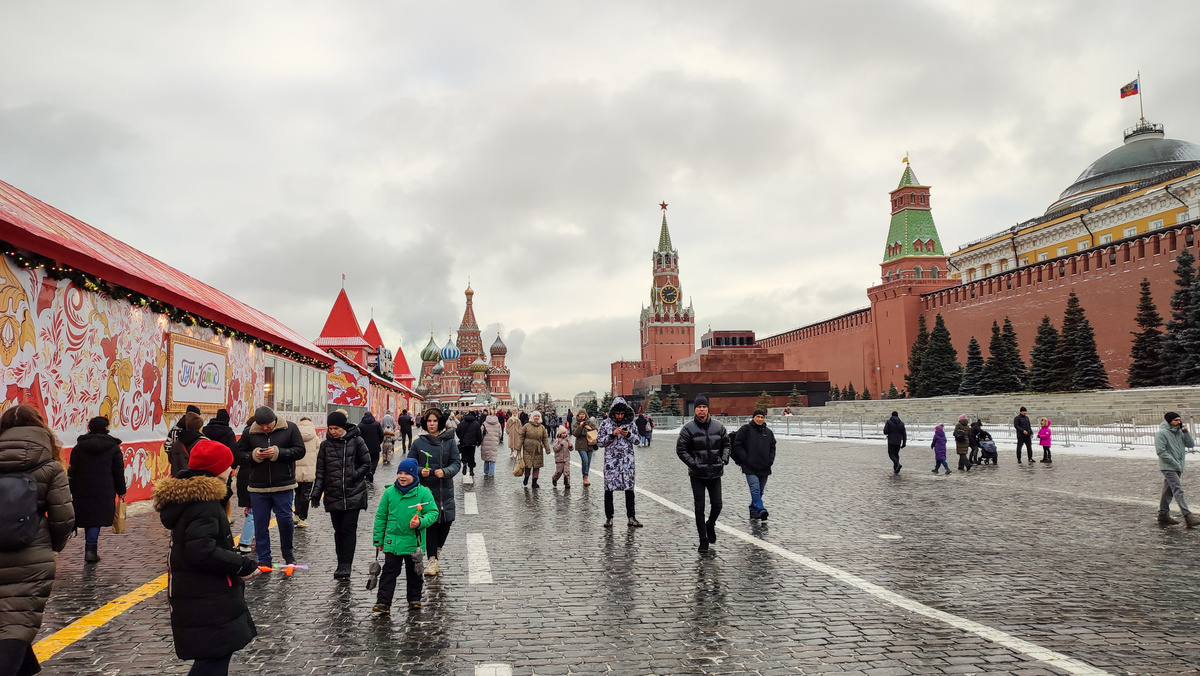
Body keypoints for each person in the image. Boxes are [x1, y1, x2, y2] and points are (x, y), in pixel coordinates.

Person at [154, 439, 259, 675]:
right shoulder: (205, 504)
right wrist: (242, 564)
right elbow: (202, 552)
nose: (232, 471)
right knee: (214, 658)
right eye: (228, 466)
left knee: (216, 656)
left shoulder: (194, 499)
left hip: (200, 592)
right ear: (216, 470)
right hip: (207, 595)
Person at [0, 405, 74, 676]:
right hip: (31, 554)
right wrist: (50, 545)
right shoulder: (50, 466)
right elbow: (63, 518)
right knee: (18, 619)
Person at [233, 406, 306, 569]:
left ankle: (288, 555)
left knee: (285, 520)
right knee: (260, 524)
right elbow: (238, 455)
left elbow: (300, 451)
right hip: (258, 487)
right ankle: (264, 558)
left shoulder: (290, 428)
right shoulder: (249, 432)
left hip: (284, 484)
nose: (265, 428)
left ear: (274, 420)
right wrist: (254, 455)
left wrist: (279, 453)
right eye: (261, 425)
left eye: (268, 424)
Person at [372, 458, 438, 613]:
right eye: (399, 473)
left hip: (413, 542)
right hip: (392, 541)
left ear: (414, 476)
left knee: (415, 572)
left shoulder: (423, 493)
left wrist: (421, 522)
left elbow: (433, 513)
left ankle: (414, 599)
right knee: (389, 573)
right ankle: (383, 602)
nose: (402, 477)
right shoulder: (389, 493)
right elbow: (381, 516)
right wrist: (378, 539)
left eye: (406, 474)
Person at [310, 410, 371, 579]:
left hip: (354, 493)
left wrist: (354, 474)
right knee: (338, 531)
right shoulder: (325, 445)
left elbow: (367, 464)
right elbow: (320, 472)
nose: (333, 431)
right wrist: (316, 494)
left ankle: (346, 565)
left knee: (348, 529)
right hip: (333, 493)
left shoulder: (357, 441)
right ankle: (340, 562)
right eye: (330, 428)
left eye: (336, 428)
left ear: (343, 427)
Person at [406, 409, 460, 577]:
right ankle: (431, 559)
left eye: (435, 421)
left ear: (440, 423)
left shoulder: (449, 442)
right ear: (425, 423)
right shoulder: (418, 443)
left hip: (445, 491)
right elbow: (410, 463)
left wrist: (445, 471)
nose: (431, 424)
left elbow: (456, 463)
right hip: (426, 491)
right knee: (430, 525)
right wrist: (420, 471)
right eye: (429, 421)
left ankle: (437, 551)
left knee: (445, 524)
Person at [68, 416, 127, 563]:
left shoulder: (79, 447)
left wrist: (69, 489)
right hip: (104, 489)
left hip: (82, 489)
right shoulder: (113, 448)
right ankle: (91, 550)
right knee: (95, 520)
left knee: (88, 518)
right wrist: (121, 490)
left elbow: (72, 471)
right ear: (106, 429)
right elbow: (118, 471)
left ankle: (89, 548)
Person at [676, 395, 730, 552]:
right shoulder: (688, 429)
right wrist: (694, 464)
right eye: (699, 407)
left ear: (708, 409)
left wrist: (724, 459)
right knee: (699, 508)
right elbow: (681, 450)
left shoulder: (718, 427)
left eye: (704, 407)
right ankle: (703, 538)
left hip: (715, 473)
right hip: (697, 474)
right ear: (695, 409)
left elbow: (726, 444)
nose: (702, 410)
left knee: (717, 505)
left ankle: (711, 523)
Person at [599, 397, 640, 528]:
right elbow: (599, 442)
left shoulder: (631, 424)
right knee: (609, 490)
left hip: (627, 463)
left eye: (622, 414)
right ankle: (609, 518)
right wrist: (612, 435)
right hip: (611, 463)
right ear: (613, 413)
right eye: (617, 414)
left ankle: (631, 517)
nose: (620, 416)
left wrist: (628, 435)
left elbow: (638, 440)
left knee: (629, 490)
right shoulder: (605, 424)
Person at [732, 409, 775, 520]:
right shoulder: (746, 429)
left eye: (762, 417)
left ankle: (753, 509)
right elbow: (737, 444)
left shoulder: (768, 432)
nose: (760, 419)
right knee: (755, 489)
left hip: (764, 466)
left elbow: (772, 447)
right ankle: (761, 509)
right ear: (753, 417)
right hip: (750, 466)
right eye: (758, 417)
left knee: (760, 490)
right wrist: (745, 458)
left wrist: (770, 460)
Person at [1156, 412, 1198, 527]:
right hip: (1168, 466)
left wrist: (1186, 432)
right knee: (1178, 489)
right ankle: (1188, 516)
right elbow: (1161, 452)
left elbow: (1190, 445)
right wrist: (1174, 463)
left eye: (1179, 420)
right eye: (1175, 420)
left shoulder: (1179, 432)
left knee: (1168, 491)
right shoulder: (1162, 434)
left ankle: (1163, 514)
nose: (1178, 422)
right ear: (1169, 421)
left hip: (1178, 466)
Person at [232, 416, 256, 555]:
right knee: (254, 511)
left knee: (253, 510)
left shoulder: (243, 439)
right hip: (252, 478)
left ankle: (254, 539)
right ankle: (245, 542)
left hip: (244, 477)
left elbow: (235, 458)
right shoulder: (256, 438)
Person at [292, 417, 319, 529]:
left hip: (296, 469)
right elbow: (318, 452)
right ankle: (302, 518)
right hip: (309, 469)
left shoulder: (295, 436)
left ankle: (296, 515)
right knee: (306, 494)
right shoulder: (314, 437)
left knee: (297, 493)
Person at [518, 411, 552, 488]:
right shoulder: (527, 426)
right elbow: (521, 437)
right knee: (528, 465)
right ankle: (526, 477)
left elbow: (545, 439)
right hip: (528, 449)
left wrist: (547, 449)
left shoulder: (542, 427)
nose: (536, 417)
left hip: (538, 449)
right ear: (532, 417)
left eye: (538, 416)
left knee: (537, 465)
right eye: (535, 416)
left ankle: (534, 481)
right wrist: (518, 447)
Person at [168, 411, 205, 475]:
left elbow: (170, 458)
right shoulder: (202, 443)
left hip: (177, 479)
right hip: (194, 480)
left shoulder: (176, 444)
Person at [571, 410, 598, 486]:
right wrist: (580, 426)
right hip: (581, 445)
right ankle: (585, 478)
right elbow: (575, 434)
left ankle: (586, 476)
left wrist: (589, 428)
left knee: (588, 462)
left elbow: (596, 431)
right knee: (585, 460)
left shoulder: (590, 423)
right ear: (578, 415)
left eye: (583, 414)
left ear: (585, 415)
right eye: (580, 414)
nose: (582, 415)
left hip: (590, 444)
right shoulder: (576, 424)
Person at [358, 411, 385, 484]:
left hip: (364, 447)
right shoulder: (376, 424)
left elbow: (358, 436)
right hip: (375, 446)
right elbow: (381, 435)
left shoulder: (360, 425)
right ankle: (371, 471)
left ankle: (366, 472)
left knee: (365, 461)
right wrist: (379, 442)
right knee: (375, 460)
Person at [456, 409, 483, 479]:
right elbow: (479, 434)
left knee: (464, 454)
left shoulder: (462, 423)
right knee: (471, 456)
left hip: (464, 443)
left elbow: (457, 431)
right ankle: (471, 470)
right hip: (472, 443)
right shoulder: (476, 424)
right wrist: (479, 442)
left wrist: (461, 438)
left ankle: (464, 463)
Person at [480, 411, 502, 477]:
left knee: (486, 457)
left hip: (485, 442)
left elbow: (481, 432)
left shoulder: (484, 423)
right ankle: (491, 472)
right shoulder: (498, 424)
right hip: (494, 443)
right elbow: (500, 434)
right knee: (492, 458)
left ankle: (486, 471)